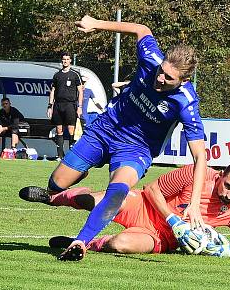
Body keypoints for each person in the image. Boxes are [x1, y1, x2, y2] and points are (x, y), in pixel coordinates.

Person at [20, 15, 209, 261]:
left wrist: (194, 204)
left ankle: (82, 241)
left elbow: (200, 156)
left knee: (118, 190)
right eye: (161, 71)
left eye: (168, 78)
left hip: (136, 148)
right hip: (105, 129)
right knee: (57, 183)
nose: (160, 78)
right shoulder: (151, 59)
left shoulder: (186, 103)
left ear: (184, 81)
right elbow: (142, 28)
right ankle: (69, 184)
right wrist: (96, 24)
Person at [30, 161, 230, 257]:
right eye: (228, 186)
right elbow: (152, 188)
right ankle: (56, 198)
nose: (229, 195)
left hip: (160, 238)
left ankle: (85, 242)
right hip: (144, 206)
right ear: (221, 174)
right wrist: (173, 220)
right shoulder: (197, 174)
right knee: (99, 201)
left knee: (120, 245)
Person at [47, 52, 83, 159]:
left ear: (70, 60)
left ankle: (71, 154)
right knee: (59, 129)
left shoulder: (75, 74)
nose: (65, 61)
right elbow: (52, 90)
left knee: (71, 129)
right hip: (58, 105)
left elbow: (80, 91)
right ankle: (60, 154)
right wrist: (50, 106)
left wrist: (80, 107)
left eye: (67, 59)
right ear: (61, 61)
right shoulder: (57, 75)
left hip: (70, 105)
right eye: (64, 59)